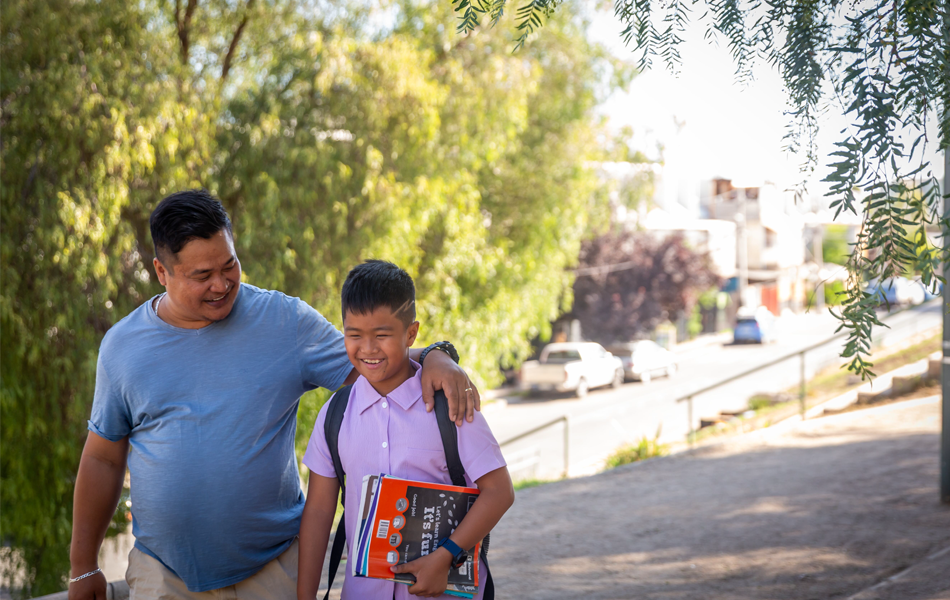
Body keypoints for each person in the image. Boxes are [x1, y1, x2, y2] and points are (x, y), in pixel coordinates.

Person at [68, 190, 480, 600]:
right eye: (201, 275)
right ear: (162, 271)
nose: (221, 284)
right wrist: (82, 568)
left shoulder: (284, 321)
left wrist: (433, 355)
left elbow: (372, 360)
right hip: (165, 575)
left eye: (230, 265)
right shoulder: (123, 347)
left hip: (274, 570)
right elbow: (103, 458)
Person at [297, 260, 514, 600]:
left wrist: (445, 556)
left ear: (411, 334)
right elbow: (319, 510)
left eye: (381, 336)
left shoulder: (450, 405)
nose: (367, 349)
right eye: (354, 335)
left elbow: (500, 491)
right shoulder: (334, 415)